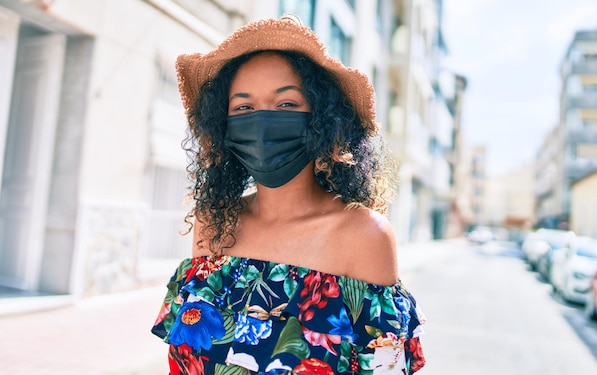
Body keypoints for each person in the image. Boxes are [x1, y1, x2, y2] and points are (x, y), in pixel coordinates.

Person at [151, 15, 427, 375]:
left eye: (285, 105)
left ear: (325, 119)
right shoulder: (214, 222)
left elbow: (385, 368)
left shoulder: (364, 236)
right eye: (244, 107)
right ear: (224, 125)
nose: (262, 122)